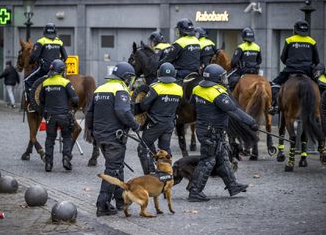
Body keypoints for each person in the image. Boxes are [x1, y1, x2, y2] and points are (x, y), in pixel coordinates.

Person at [188, 64, 257, 202]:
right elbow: (234, 110)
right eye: (222, 77)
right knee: (207, 161)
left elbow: (193, 104)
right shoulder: (217, 93)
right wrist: (251, 122)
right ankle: (195, 191)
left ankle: (232, 185)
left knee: (222, 159)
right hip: (212, 132)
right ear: (215, 78)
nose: (224, 79)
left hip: (205, 129)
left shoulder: (197, 88)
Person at [85, 62, 140, 217]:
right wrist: (135, 125)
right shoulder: (120, 90)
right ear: (126, 77)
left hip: (101, 136)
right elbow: (122, 111)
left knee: (117, 167)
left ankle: (121, 201)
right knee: (113, 169)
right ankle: (102, 205)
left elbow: (89, 113)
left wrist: (92, 132)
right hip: (113, 137)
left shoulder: (100, 88)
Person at [136, 62, 183, 174]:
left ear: (159, 74)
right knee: (165, 150)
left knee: (143, 148)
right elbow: (179, 106)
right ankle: (166, 174)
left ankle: (151, 174)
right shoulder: (179, 89)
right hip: (169, 124)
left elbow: (144, 105)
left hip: (155, 124)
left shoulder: (155, 87)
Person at [268, 20, 320, 115]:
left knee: (274, 84)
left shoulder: (289, 40)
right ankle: (319, 108)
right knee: (320, 86)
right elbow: (317, 60)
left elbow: (283, 58)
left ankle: (275, 106)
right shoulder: (312, 41)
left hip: (290, 70)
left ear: (295, 29)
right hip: (308, 71)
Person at [39, 59, 79, 172]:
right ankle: (66, 159)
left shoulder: (46, 82)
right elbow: (75, 99)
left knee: (50, 139)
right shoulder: (65, 82)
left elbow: (41, 99)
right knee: (66, 137)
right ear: (61, 70)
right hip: (64, 116)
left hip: (50, 117)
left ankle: (48, 164)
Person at [25, 23, 68, 107]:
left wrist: (34, 61)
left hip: (44, 69)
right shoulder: (59, 42)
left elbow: (34, 57)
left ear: (45, 31)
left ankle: (32, 104)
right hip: (58, 70)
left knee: (27, 80)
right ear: (55, 31)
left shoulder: (41, 41)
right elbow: (65, 57)